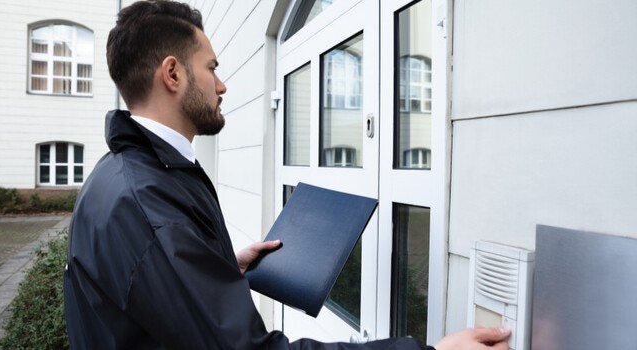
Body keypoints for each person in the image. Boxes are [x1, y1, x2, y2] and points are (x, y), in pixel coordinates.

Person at [63, 1, 511, 349]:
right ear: (173, 74)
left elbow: (152, 291)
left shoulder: (125, 172)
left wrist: (218, 265)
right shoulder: (147, 201)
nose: (221, 85)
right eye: (212, 68)